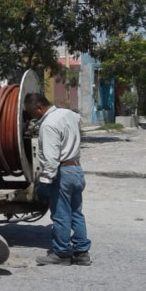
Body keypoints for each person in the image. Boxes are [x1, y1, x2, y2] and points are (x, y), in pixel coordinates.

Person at [23, 93, 91, 266]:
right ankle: (82, 252)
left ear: (40, 107)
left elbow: (52, 159)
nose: (33, 117)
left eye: (32, 113)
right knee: (76, 212)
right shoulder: (69, 114)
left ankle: (61, 254)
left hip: (62, 172)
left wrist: (45, 183)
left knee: (61, 215)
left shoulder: (48, 124)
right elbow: (77, 120)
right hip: (76, 169)